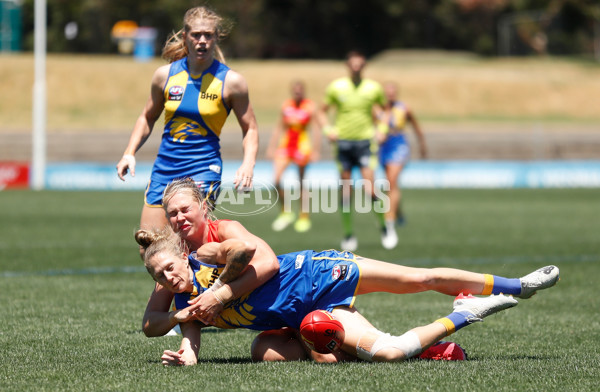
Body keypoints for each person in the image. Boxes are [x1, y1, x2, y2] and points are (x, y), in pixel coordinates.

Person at [135, 178, 560, 365]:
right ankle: (454, 328)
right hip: (295, 316)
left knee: (419, 279)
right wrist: (185, 333)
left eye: (184, 209)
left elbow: (259, 258)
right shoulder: (174, 271)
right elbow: (157, 324)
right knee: (295, 355)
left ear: (202, 206)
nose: (177, 218)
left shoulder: (216, 238)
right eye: (170, 214)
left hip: (317, 275)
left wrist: (220, 293)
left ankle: (517, 285)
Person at [116, 6, 259, 252]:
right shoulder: (165, 76)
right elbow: (147, 117)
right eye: (196, 35)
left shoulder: (231, 82)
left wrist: (248, 164)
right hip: (165, 168)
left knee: (188, 247)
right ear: (185, 37)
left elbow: (251, 129)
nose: (202, 41)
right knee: (150, 248)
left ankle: (209, 290)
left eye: (208, 35)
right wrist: (129, 152)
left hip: (203, 169)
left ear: (216, 37)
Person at [319, 50, 392, 251]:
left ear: (364, 66)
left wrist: (383, 129)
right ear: (348, 66)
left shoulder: (373, 88)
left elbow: (386, 110)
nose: (356, 68)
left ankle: (385, 226)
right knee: (346, 191)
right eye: (353, 64)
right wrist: (328, 129)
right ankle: (349, 234)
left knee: (370, 189)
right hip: (343, 143)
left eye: (360, 65)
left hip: (365, 143)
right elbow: (321, 111)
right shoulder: (336, 87)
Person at [266, 80, 321, 233]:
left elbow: (316, 129)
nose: (297, 93)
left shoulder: (310, 106)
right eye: (295, 90)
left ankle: (303, 217)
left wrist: (316, 150)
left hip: (302, 147)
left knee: (301, 182)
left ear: (304, 91)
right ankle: (286, 212)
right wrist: (272, 146)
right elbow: (279, 127)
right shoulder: (286, 105)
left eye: (300, 90)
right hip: (286, 146)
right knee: (276, 180)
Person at [378, 81, 427, 229]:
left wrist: (422, 145)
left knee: (392, 181)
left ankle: (389, 218)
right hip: (382, 146)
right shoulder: (377, 110)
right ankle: (399, 213)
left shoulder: (404, 108)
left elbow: (416, 127)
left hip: (398, 145)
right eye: (387, 92)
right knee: (389, 184)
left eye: (392, 92)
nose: (390, 95)